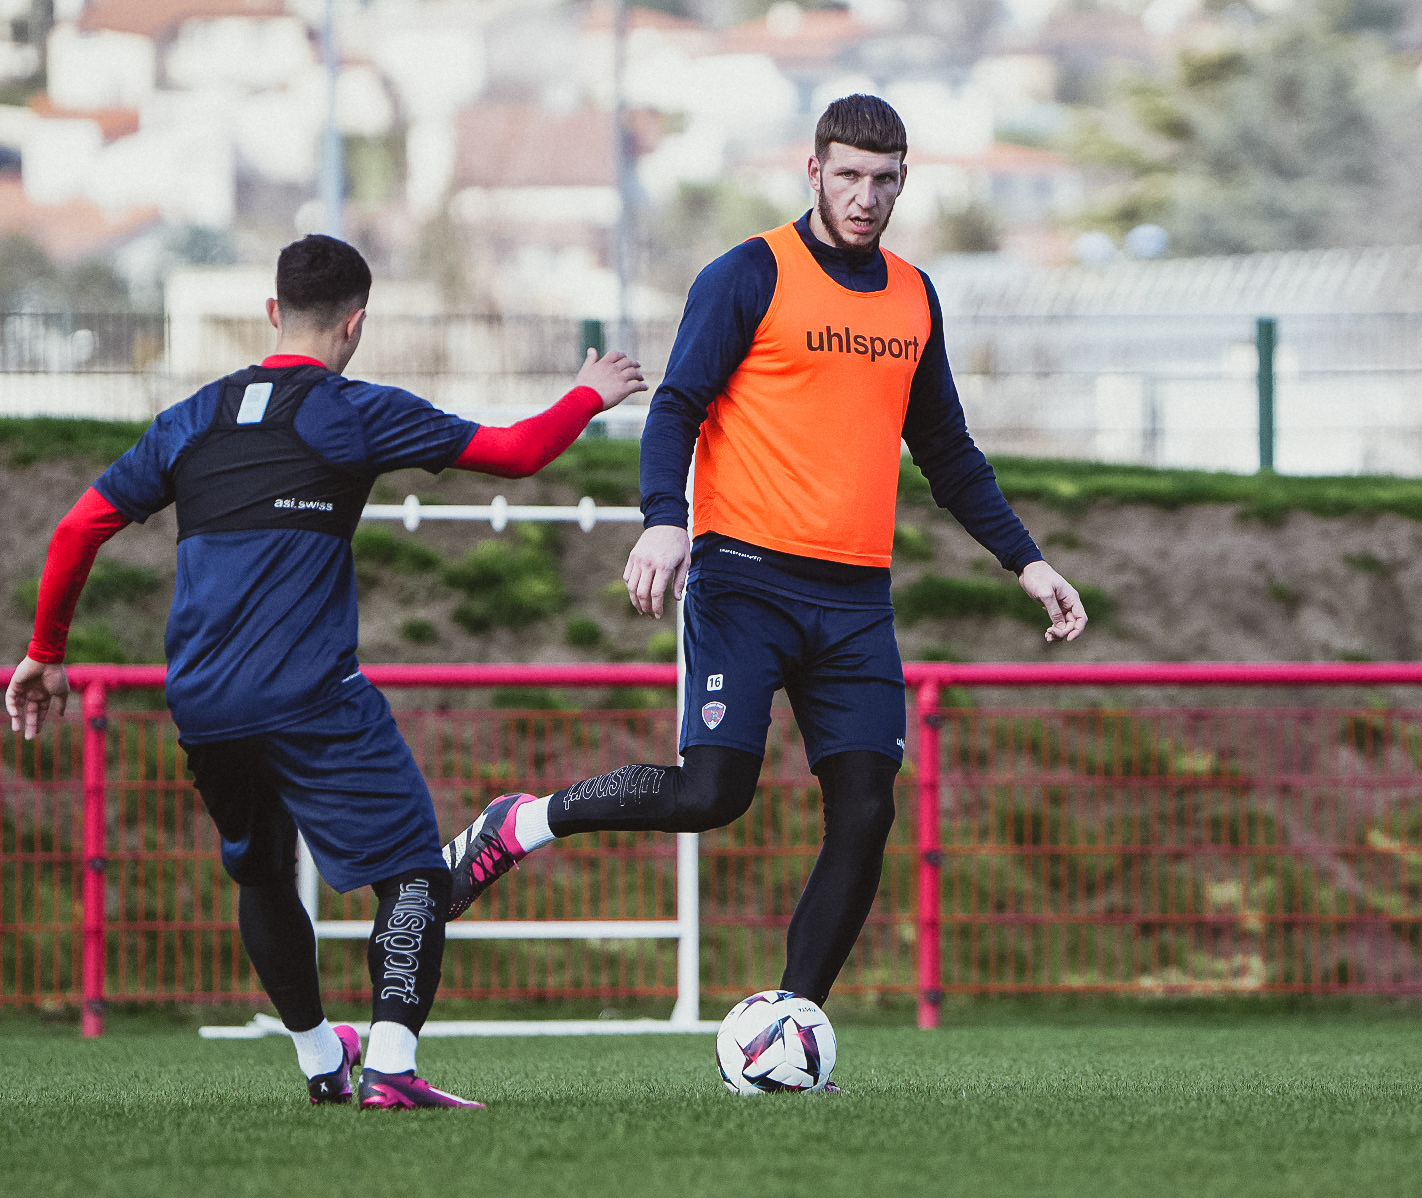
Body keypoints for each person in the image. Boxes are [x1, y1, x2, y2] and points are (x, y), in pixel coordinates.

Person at [441, 95, 1087, 1030]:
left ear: (905, 180)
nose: (865, 197)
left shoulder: (914, 297)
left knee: (866, 813)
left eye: (884, 179)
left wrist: (1027, 562)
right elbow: (676, 409)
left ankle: (789, 1024)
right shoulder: (748, 274)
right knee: (712, 794)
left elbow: (947, 451)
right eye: (849, 175)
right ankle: (522, 823)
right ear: (814, 173)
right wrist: (666, 521)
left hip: (857, 601)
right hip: (744, 579)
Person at [4, 235, 646, 1109]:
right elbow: (518, 452)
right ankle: (388, 1063)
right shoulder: (354, 410)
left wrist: (45, 653)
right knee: (418, 871)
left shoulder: (190, 418)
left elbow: (78, 528)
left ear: (274, 313)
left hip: (204, 699)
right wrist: (589, 393)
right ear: (356, 323)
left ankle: (320, 1061)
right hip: (309, 694)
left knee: (262, 873)